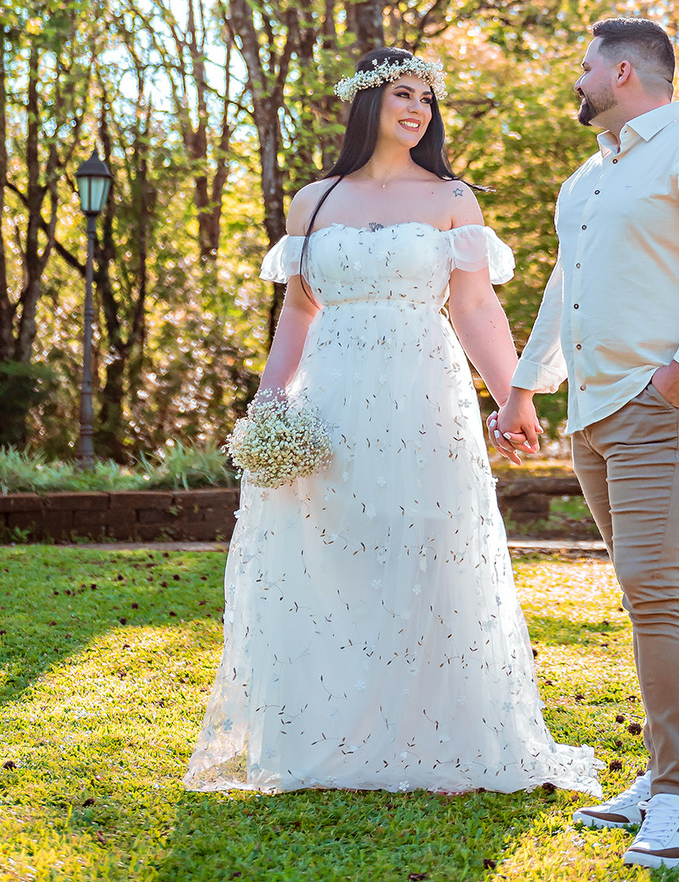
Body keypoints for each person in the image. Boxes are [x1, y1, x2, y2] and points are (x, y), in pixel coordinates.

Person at [185, 46, 598, 798]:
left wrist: (514, 394)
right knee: (333, 546)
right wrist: (270, 400)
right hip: (331, 396)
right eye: (403, 94)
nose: (417, 109)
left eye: (427, 98)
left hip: (423, 390)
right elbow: (298, 310)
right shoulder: (313, 201)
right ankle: (330, 735)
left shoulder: (452, 198)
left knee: (427, 542)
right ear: (367, 101)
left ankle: (433, 737)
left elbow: (474, 305)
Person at [495, 18, 679, 871]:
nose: (575, 81)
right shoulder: (585, 179)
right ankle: (656, 778)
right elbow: (564, 284)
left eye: (584, 67)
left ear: (620, 72)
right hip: (594, 412)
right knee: (640, 592)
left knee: (654, 589)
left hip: (659, 406)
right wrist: (524, 385)